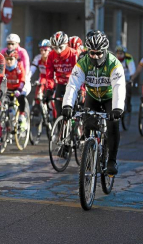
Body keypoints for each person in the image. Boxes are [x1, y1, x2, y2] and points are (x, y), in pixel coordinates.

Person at [62, 30, 126, 175]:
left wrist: (117, 108)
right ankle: (89, 154)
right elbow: (73, 84)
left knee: (112, 126)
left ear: (105, 51)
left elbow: (119, 87)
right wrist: (67, 105)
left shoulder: (114, 64)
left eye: (99, 53)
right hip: (93, 97)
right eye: (92, 53)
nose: (95, 56)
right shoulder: (83, 63)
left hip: (110, 98)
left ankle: (111, 160)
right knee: (88, 124)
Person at [45, 31, 78, 118]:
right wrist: (49, 89)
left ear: (66, 44)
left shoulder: (74, 54)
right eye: (55, 48)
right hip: (60, 84)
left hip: (74, 84)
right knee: (58, 111)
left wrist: (82, 90)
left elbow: (81, 74)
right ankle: (60, 130)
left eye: (60, 47)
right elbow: (49, 75)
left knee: (74, 111)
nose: (58, 50)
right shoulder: (51, 55)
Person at [5, 49, 28, 130]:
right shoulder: (3, 67)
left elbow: (22, 79)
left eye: (11, 59)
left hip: (18, 88)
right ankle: (8, 123)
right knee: (7, 105)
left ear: (15, 59)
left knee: (21, 98)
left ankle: (22, 116)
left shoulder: (19, 66)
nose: (9, 61)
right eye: (7, 59)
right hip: (8, 89)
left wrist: (19, 89)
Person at [30, 39, 51, 106]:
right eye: (41, 50)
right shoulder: (38, 58)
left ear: (49, 50)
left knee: (52, 96)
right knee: (38, 93)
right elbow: (32, 69)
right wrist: (27, 78)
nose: (43, 52)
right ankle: (37, 106)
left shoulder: (53, 57)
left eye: (45, 50)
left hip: (52, 77)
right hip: (42, 77)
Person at [116, 45, 135, 110]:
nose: (119, 55)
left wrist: (131, 79)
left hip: (126, 78)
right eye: (118, 53)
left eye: (121, 53)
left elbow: (132, 71)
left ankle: (128, 104)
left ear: (124, 54)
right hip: (117, 78)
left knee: (128, 89)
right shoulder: (114, 59)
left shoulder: (128, 59)